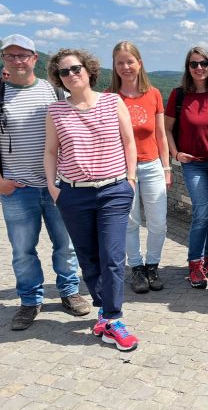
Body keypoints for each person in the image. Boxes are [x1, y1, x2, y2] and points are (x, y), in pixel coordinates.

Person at [0, 34, 89, 331]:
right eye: (11, 56)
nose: (17, 61)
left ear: (34, 58)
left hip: (56, 185)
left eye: (23, 55)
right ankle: (30, 301)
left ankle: (69, 292)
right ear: (4, 59)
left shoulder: (52, 91)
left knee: (65, 245)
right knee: (22, 249)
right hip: (17, 189)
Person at [44, 48, 139, 351]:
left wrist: (131, 180)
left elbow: (128, 142)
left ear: (88, 70)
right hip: (73, 194)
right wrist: (53, 187)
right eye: (63, 72)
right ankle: (103, 309)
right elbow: (50, 152)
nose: (71, 75)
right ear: (58, 78)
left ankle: (112, 319)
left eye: (75, 69)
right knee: (88, 258)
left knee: (112, 257)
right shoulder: (56, 111)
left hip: (113, 190)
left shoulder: (112, 101)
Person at [164, 47, 208, 289]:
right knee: (202, 212)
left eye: (203, 63)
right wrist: (175, 153)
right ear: (188, 68)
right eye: (194, 64)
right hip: (193, 165)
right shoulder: (179, 95)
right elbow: (167, 128)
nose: (199, 68)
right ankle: (194, 264)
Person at [109, 41, 170, 294]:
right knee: (130, 222)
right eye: (120, 62)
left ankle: (152, 265)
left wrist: (167, 168)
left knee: (158, 222)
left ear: (139, 63)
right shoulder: (110, 97)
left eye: (130, 61)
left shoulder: (153, 94)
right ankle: (135, 267)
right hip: (123, 170)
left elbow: (161, 134)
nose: (126, 67)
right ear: (114, 66)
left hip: (152, 164)